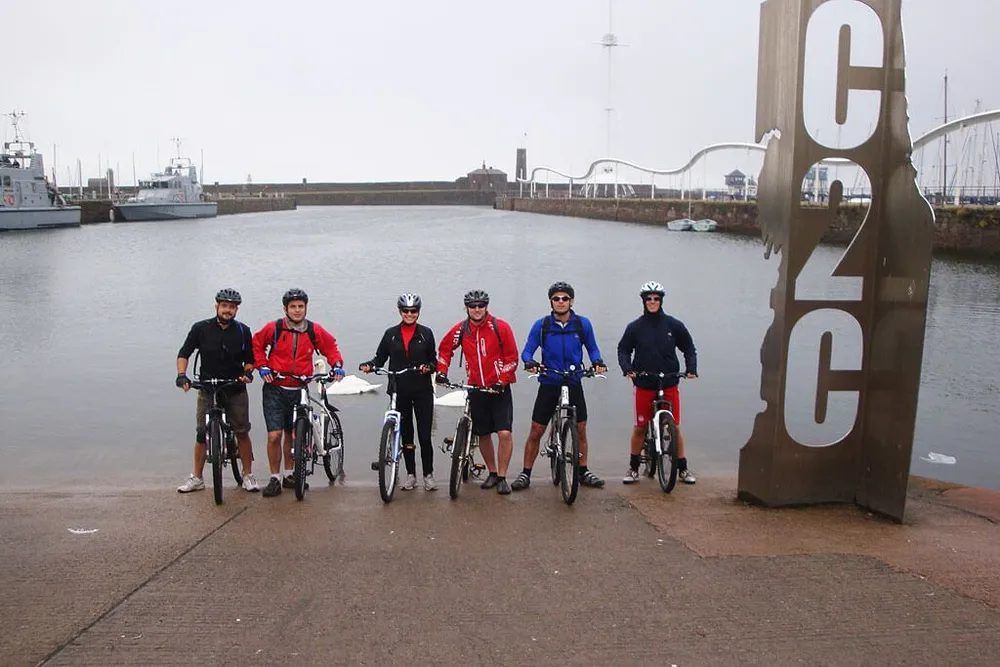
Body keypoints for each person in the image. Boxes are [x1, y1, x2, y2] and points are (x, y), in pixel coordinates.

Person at [513, 281, 608, 491]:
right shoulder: (542, 325)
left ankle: (583, 471)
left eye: (565, 298)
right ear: (551, 302)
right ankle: (525, 473)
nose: (561, 302)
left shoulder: (582, 324)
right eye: (557, 298)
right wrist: (530, 362)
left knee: (581, 428)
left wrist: (598, 362)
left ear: (571, 301)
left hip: (574, 380)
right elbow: (527, 350)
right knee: (537, 429)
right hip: (549, 380)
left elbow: (592, 349)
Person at [252, 288, 345, 497]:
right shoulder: (274, 328)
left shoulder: (314, 330)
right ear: (285, 309)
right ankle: (275, 478)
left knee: (292, 435)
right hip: (275, 388)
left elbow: (331, 347)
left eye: (300, 306)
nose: (297, 310)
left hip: (300, 387)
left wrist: (337, 364)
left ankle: (290, 474)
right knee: (275, 436)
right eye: (292, 307)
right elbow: (256, 344)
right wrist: (262, 365)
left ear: (306, 308)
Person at [436, 290, 519, 495]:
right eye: (472, 306)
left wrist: (503, 380)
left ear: (486, 307)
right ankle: (492, 472)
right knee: (483, 434)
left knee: (504, 433)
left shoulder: (500, 327)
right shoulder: (461, 329)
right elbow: (445, 349)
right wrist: (441, 372)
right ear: (466, 308)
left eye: (480, 305)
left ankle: (502, 476)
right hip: (476, 388)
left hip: (499, 388)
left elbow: (512, 357)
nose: (477, 309)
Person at [175, 288, 258, 493]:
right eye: (224, 306)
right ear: (217, 307)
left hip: (234, 387)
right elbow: (184, 353)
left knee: (242, 431)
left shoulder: (243, 331)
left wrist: (248, 372)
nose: (227, 310)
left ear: (236, 310)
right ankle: (197, 478)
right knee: (201, 433)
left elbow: (250, 359)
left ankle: (248, 475)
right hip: (207, 387)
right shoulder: (200, 329)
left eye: (232, 307)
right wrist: (181, 375)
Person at [617, 281, 698, 485]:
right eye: (649, 298)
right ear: (643, 301)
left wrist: (691, 369)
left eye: (656, 298)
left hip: (669, 380)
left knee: (675, 427)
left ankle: (682, 468)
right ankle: (634, 467)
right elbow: (623, 350)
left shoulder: (674, 325)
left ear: (661, 300)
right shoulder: (635, 327)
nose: (652, 302)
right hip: (644, 382)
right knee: (640, 427)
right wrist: (627, 369)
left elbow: (688, 348)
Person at [359, 293, 438, 491]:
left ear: (418, 312)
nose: (409, 314)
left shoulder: (426, 333)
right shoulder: (390, 334)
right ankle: (411, 475)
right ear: (400, 312)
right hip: (399, 389)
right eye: (406, 311)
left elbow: (434, 361)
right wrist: (370, 365)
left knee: (425, 436)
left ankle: (428, 474)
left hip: (422, 391)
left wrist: (428, 367)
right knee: (407, 436)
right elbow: (380, 358)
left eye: (413, 311)